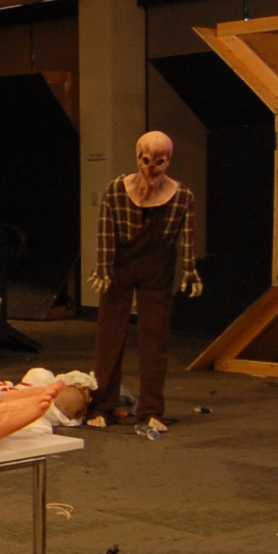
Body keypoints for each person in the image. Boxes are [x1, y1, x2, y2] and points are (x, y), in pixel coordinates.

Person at [89, 130, 201, 435]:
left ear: (169, 160)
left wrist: (190, 271)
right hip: (121, 267)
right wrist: (103, 269)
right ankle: (102, 405)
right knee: (109, 335)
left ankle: (151, 409)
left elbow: (187, 239)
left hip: (157, 269)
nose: (151, 169)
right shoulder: (116, 190)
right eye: (145, 160)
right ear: (137, 157)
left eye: (159, 162)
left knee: (155, 338)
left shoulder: (182, 196)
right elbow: (105, 232)